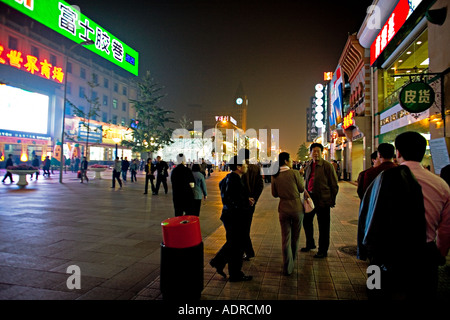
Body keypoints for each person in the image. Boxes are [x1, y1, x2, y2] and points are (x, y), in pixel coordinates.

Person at [358, 131, 449, 299]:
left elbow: (367, 213)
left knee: (375, 292)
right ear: (422, 153)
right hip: (423, 257)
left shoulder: (381, 178)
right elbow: (445, 230)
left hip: (382, 255)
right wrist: (438, 255)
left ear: (397, 153)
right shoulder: (441, 185)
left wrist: (366, 248)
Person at [210, 155, 254, 282]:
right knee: (237, 245)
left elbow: (231, 195)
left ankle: (219, 263)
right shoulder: (234, 179)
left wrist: (245, 199)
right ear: (238, 167)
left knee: (234, 243)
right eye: (244, 164)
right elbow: (233, 199)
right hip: (235, 217)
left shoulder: (229, 178)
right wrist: (246, 202)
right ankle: (234, 274)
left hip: (230, 215)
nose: (246, 166)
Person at [301, 143, 339, 258]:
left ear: (321, 153)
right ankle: (310, 244)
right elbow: (307, 182)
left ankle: (323, 250)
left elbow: (334, 185)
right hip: (310, 199)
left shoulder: (327, 166)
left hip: (323, 200)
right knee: (306, 221)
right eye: (314, 151)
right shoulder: (308, 165)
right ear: (310, 153)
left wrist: (332, 200)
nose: (316, 153)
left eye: (318, 151)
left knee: (323, 226)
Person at [271, 152, 305, 275]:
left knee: (285, 238)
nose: (291, 161)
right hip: (296, 208)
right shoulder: (295, 173)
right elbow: (301, 189)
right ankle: (292, 263)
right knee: (295, 238)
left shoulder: (275, 175)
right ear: (286, 161)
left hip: (283, 209)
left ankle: (287, 266)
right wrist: (300, 177)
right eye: (290, 159)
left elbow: (274, 194)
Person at [240, 148, 264, 260]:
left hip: (241, 203)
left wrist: (247, 198)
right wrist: (254, 199)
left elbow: (239, 187)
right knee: (246, 227)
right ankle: (247, 251)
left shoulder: (240, 168)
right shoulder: (256, 168)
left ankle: (248, 251)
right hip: (251, 204)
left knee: (242, 229)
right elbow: (260, 185)